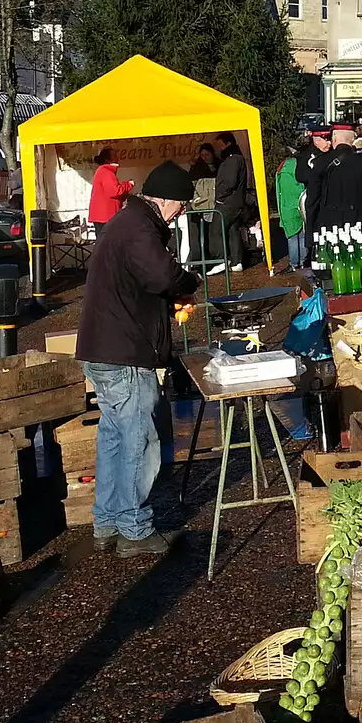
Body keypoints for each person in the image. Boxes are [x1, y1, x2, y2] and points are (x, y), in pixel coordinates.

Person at [75, 161, 201, 556]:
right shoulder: (138, 228)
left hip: (106, 348)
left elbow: (143, 282)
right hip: (124, 352)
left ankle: (107, 521)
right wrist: (188, 283)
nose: (182, 211)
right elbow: (161, 276)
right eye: (180, 204)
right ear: (162, 200)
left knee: (114, 437)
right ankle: (132, 527)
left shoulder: (129, 222)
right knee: (137, 439)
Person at [311, 123, 362, 233]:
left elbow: (312, 201)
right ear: (352, 140)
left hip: (329, 228)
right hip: (361, 227)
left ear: (334, 138)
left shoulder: (320, 162)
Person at [211, 131, 260, 271]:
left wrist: (220, 196)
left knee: (217, 230)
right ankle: (236, 261)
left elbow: (230, 182)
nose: (218, 149)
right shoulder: (238, 158)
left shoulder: (232, 159)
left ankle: (221, 259)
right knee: (233, 231)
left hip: (227, 202)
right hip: (237, 202)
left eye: (220, 145)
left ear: (228, 144)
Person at [276, 140, 309, 267]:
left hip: (287, 208)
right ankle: (302, 262)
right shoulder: (298, 165)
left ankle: (294, 263)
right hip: (300, 205)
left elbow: (281, 192)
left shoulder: (282, 170)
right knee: (301, 236)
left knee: (292, 238)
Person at [88, 147, 135, 236]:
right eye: (114, 156)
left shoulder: (104, 171)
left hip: (104, 215)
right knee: (108, 243)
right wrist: (128, 184)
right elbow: (114, 191)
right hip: (105, 216)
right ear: (107, 159)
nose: (117, 158)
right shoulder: (106, 172)